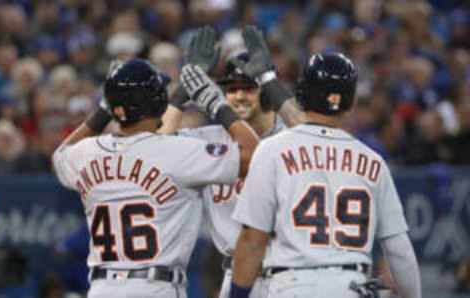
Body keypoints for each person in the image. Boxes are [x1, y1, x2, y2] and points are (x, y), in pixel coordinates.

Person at [52, 58, 259, 298]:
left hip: (102, 288)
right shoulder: (177, 151)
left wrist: (103, 111)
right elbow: (254, 155)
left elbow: (59, 157)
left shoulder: (87, 153)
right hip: (155, 287)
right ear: (157, 102)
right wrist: (216, 103)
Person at [230, 52, 422, 298]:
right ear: (351, 101)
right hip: (351, 285)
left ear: (302, 92)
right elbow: (399, 250)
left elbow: (252, 240)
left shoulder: (272, 150)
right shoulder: (374, 161)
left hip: (292, 284)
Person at [163, 26, 304, 298]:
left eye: (249, 88)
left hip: (290, 274)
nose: (239, 96)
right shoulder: (207, 142)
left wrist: (271, 80)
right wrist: (185, 89)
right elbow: (154, 145)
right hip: (236, 275)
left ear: (265, 92)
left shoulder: (292, 137)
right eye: (231, 89)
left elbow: (321, 138)